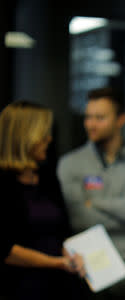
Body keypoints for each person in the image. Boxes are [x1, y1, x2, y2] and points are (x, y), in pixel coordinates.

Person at [57, 87, 125, 299]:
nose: (91, 124)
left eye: (100, 117)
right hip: (91, 269)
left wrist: (96, 203)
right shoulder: (69, 164)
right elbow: (80, 219)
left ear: (121, 119)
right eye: (88, 117)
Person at [0, 101, 84, 300]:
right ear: (24, 136)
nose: (49, 138)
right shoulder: (3, 182)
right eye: (42, 133)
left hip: (58, 285)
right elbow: (5, 249)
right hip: (18, 287)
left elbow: (63, 231)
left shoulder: (47, 177)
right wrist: (55, 262)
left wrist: (70, 256)